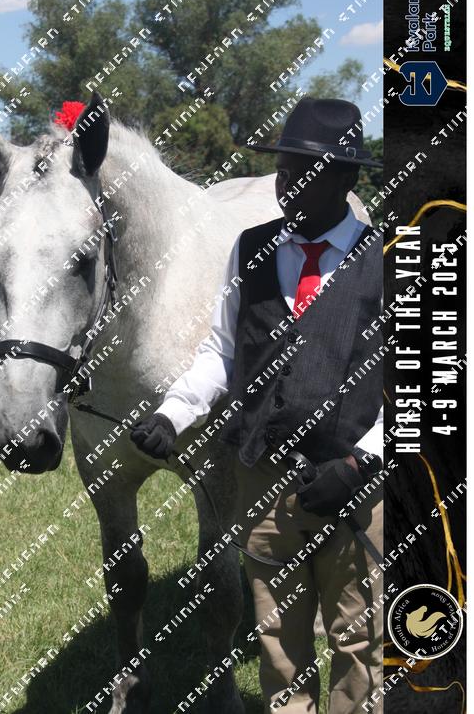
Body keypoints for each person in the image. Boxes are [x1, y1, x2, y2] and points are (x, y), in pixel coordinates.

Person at [131, 98, 384, 714]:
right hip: (264, 481)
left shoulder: (387, 261)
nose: (286, 187)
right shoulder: (252, 250)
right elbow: (220, 351)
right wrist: (172, 413)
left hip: (356, 487)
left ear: (347, 178)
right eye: (283, 171)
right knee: (277, 642)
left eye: (305, 173)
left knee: (360, 645)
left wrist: (362, 464)